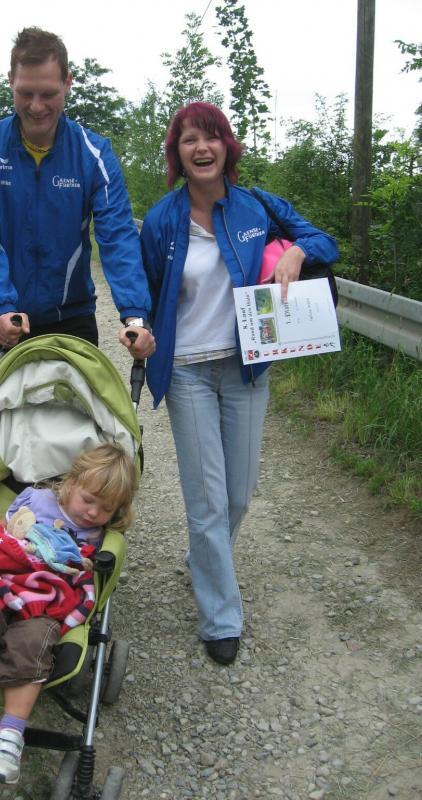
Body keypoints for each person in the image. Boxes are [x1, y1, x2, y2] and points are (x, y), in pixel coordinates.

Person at [140, 102, 338, 666]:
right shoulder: (161, 220)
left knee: (239, 493)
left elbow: (324, 240)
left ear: (227, 146)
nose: (201, 148)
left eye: (210, 138)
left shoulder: (257, 206)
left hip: (247, 366)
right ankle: (221, 617)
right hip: (187, 370)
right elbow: (144, 290)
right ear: (177, 154)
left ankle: (205, 559)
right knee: (207, 500)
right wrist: (141, 331)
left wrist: (296, 249)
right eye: (188, 140)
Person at [0, 26, 155, 365]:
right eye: (25, 93)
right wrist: (1, 306)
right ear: (10, 82)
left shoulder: (94, 154)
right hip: (9, 318)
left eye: (48, 93)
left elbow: (118, 235)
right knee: (15, 402)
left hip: (72, 318)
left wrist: (135, 316)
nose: (36, 106)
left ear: (67, 83)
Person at [0, 442, 136, 784]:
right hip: (2, 580)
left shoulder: (98, 535)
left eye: (106, 508)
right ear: (70, 483)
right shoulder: (36, 499)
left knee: (34, 642)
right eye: (88, 500)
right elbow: (4, 533)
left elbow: (81, 571)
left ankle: (10, 734)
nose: (93, 513)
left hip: (45, 599)